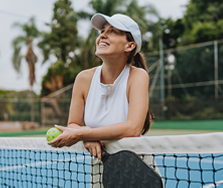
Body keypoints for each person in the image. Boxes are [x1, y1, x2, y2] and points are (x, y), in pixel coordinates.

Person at [48, 13, 153, 161]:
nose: (103, 35)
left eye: (113, 31)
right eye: (102, 31)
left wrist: (83, 134)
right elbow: (73, 124)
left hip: (135, 165)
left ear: (130, 46)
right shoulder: (83, 79)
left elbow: (133, 129)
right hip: (99, 166)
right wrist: (86, 137)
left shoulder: (138, 76)